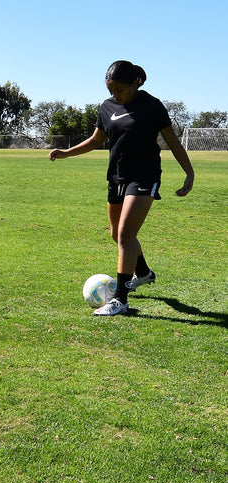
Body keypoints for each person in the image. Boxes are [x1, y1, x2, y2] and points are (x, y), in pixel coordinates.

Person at [49, 60, 195, 316]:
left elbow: (172, 141)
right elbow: (96, 140)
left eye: (119, 90)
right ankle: (144, 273)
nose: (114, 95)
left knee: (126, 235)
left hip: (144, 176)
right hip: (116, 176)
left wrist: (189, 173)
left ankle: (120, 300)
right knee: (116, 235)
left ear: (135, 82)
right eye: (110, 90)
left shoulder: (151, 105)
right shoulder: (107, 107)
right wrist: (66, 153)